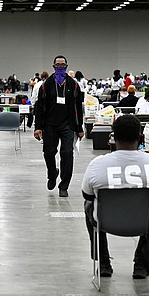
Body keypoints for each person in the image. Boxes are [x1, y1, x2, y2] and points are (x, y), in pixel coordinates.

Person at [82, 115, 149, 278]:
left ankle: (103, 263)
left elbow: (87, 195)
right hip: (146, 223)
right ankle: (142, 263)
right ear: (141, 136)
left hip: (107, 222)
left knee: (88, 206)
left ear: (113, 137)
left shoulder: (98, 164)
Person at [34, 55, 84, 198]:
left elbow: (78, 108)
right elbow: (39, 107)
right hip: (50, 125)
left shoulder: (73, 85)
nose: (60, 67)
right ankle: (52, 173)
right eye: (58, 65)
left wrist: (79, 128)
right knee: (49, 153)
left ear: (67, 66)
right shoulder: (46, 85)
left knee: (67, 154)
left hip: (68, 125)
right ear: (54, 66)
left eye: (63, 65)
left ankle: (64, 185)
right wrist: (38, 127)